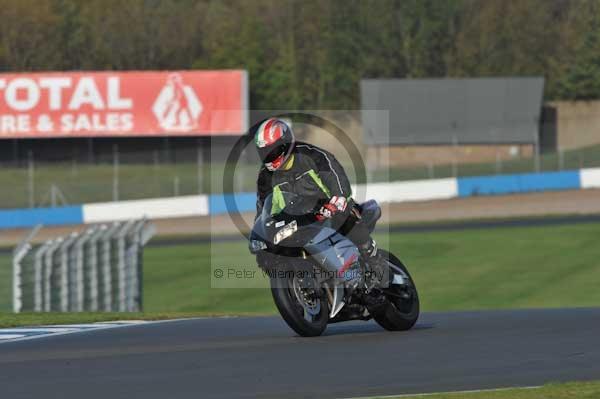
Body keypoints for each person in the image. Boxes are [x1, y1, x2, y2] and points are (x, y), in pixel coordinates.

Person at [253, 117, 378, 287]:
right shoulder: (265, 177)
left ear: (285, 143)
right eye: (264, 152)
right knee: (267, 251)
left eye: (272, 151)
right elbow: (262, 208)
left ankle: (372, 257)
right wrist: (260, 235)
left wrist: (339, 197)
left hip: (329, 206)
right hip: (299, 217)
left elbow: (334, 172)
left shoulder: (309, 154)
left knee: (345, 215)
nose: (269, 157)